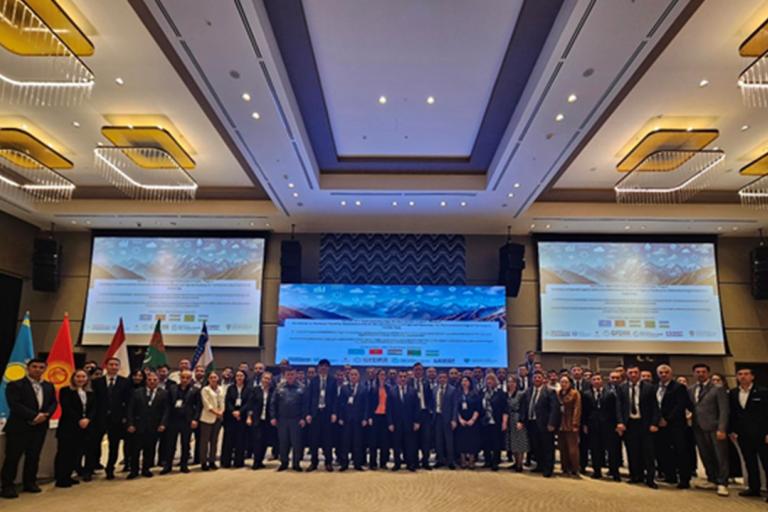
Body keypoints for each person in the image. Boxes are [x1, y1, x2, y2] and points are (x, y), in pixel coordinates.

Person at [1, 358, 57, 498]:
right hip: (19, 427)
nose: (37, 369)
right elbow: (15, 404)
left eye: (41, 367)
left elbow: (53, 403)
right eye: (34, 367)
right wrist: (34, 416)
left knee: (33, 456)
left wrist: (46, 415)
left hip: (40, 428)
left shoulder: (49, 386)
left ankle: (30, 482)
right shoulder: (15, 385)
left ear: (44, 369)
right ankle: (7, 485)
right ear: (28, 368)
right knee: (13, 457)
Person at [689, 363, 729, 497]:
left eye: (703, 371)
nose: (700, 374)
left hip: (715, 427)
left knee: (720, 456)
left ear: (708, 373)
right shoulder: (691, 389)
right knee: (705, 455)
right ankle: (712, 479)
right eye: (697, 372)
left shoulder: (718, 388)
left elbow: (724, 410)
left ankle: (723, 483)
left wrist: (722, 428)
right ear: (694, 374)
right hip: (698, 427)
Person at [728, 367, 768, 501]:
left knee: (766, 462)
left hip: (762, 434)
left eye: (746, 374)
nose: (743, 377)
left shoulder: (763, 392)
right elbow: (732, 414)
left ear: (752, 376)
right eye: (740, 374)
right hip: (743, 435)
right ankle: (754, 488)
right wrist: (732, 430)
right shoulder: (733, 393)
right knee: (749, 462)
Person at [618, 365, 660, 489]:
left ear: (639, 373)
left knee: (648, 452)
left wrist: (654, 423)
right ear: (627, 374)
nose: (633, 375)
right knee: (632, 451)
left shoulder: (649, 388)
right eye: (630, 373)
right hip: (630, 423)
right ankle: (636, 476)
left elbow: (655, 407)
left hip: (645, 423)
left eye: (635, 372)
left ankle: (650, 479)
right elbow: (619, 407)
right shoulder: (622, 388)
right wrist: (620, 422)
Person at [90, 357, 131, 480]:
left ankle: (110, 469)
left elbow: (128, 402)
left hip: (117, 420)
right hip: (99, 418)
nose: (113, 367)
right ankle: (89, 468)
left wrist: (125, 417)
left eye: (116, 365)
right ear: (106, 366)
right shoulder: (97, 382)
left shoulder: (125, 382)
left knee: (114, 446)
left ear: (119, 367)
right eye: (111, 364)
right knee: (93, 445)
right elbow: (93, 401)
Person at [54, 369, 96, 488]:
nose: (81, 379)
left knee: (75, 453)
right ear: (73, 378)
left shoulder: (90, 392)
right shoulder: (65, 391)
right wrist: (79, 419)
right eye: (78, 376)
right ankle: (61, 478)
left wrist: (88, 419)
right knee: (64, 453)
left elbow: (94, 408)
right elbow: (66, 407)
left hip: (84, 427)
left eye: (83, 377)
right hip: (69, 426)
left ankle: (68, 476)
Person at [126, 371, 168, 479]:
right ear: (146, 381)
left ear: (158, 381)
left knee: (149, 450)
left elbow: (166, 411)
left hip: (154, 426)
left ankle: (146, 469)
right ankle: (134, 470)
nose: (152, 382)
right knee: (135, 450)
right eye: (150, 380)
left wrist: (163, 424)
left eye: (155, 380)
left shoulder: (163, 393)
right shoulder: (137, 392)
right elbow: (130, 409)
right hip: (138, 426)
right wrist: (130, 423)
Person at [655, 364, 691, 489]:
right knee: (665, 451)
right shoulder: (656, 387)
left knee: (680, 452)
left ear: (671, 374)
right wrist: (658, 419)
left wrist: (667, 419)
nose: (663, 374)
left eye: (666, 372)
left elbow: (680, 406)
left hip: (676, 425)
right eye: (661, 372)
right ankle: (670, 476)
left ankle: (684, 479)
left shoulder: (678, 387)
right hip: (660, 424)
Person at [582, 372, 621, 481]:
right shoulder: (586, 394)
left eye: (598, 379)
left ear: (602, 381)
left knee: (611, 450)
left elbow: (615, 410)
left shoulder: (610, 394)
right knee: (595, 449)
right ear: (591, 381)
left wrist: (617, 423)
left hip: (608, 425)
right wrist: (584, 424)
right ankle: (597, 471)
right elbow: (584, 411)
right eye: (594, 379)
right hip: (593, 425)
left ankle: (615, 472)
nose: (596, 381)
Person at [522, 370, 560, 477]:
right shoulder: (528, 391)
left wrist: (552, 423)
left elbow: (555, 409)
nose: (537, 379)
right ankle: (540, 465)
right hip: (532, 423)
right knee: (536, 446)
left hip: (545, 424)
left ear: (543, 379)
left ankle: (548, 468)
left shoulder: (549, 391)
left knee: (547, 447)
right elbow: (525, 407)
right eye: (535, 377)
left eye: (539, 377)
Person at [162, 369, 199, 474]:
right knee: (170, 444)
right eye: (183, 377)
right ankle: (168, 465)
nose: (185, 380)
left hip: (187, 421)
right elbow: (167, 406)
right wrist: (165, 421)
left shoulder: (195, 390)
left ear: (191, 379)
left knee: (185, 444)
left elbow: (198, 407)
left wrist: (195, 419)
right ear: (180, 377)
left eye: (187, 378)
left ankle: (184, 465)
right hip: (173, 420)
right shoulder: (172, 389)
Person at [270, 366, 306, 471]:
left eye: (292, 374)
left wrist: (303, 418)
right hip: (282, 419)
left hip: (296, 419)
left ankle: (296, 464)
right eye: (288, 374)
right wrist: (273, 417)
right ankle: (284, 463)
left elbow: (305, 404)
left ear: (296, 375)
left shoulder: (302, 387)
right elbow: (273, 403)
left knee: (296, 443)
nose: (290, 376)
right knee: (283, 442)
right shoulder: (279, 387)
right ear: (285, 375)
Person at [305, 359, 336, 472]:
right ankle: (314, 462)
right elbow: (309, 398)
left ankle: (328, 462)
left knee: (328, 439)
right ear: (318, 368)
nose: (323, 368)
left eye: (325, 366)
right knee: (314, 439)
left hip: (327, 413)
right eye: (321, 366)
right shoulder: (313, 381)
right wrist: (308, 413)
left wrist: (334, 413)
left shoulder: (333, 380)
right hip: (315, 413)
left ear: (328, 368)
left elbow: (334, 399)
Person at [335, 368, 367, 471]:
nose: (353, 376)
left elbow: (367, 406)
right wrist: (340, 417)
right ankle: (344, 464)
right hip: (346, 420)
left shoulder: (363, 388)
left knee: (357, 442)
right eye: (352, 375)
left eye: (355, 375)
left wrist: (365, 418)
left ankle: (357, 464)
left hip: (358, 420)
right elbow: (340, 404)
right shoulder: (344, 388)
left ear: (359, 376)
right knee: (345, 443)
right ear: (349, 376)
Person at [387, 370, 419, 472]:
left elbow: (416, 408)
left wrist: (416, 422)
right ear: (397, 379)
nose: (403, 378)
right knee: (396, 444)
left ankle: (410, 464)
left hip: (409, 423)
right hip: (396, 423)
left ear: (407, 378)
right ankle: (397, 464)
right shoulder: (392, 391)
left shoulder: (413, 391)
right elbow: (389, 409)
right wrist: (390, 423)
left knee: (410, 444)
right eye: (400, 377)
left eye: (404, 377)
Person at [221, 369, 251, 468]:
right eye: (237, 376)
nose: (239, 377)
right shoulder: (230, 388)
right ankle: (226, 462)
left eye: (241, 376)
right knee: (228, 440)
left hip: (242, 417)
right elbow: (228, 401)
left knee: (240, 440)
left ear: (245, 377)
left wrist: (240, 412)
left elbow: (249, 403)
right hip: (230, 416)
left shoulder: (249, 389)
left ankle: (239, 462)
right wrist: (233, 411)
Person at [479, 373, 507, 471]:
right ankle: (487, 461)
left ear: (495, 381)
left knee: (496, 442)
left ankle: (495, 462)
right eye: (487, 379)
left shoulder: (500, 393)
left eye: (491, 379)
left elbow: (504, 409)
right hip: (484, 421)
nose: (489, 381)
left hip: (496, 421)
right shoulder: (482, 392)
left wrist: (504, 422)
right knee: (485, 441)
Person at [246, 371, 273, 469]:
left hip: (267, 420)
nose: (266, 380)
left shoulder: (272, 391)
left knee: (265, 441)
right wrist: (249, 417)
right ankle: (256, 462)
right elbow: (250, 405)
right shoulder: (255, 390)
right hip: (256, 419)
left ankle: (261, 460)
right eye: (265, 378)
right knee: (257, 440)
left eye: (268, 379)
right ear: (262, 379)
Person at [409, 363, 434, 470]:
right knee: (413, 440)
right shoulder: (409, 383)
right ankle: (414, 462)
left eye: (420, 370)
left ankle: (425, 461)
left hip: (424, 414)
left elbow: (430, 398)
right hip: (412, 415)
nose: (418, 371)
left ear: (423, 371)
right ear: (413, 371)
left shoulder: (426, 383)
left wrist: (429, 410)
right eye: (416, 370)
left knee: (426, 439)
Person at [198, 372, 225, 471]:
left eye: (215, 377)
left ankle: (212, 461)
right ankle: (204, 462)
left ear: (218, 378)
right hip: (207, 418)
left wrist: (221, 412)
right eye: (211, 377)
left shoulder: (221, 389)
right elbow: (206, 404)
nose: (213, 379)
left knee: (214, 441)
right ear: (208, 379)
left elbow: (222, 402)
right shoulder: (205, 389)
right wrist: (216, 412)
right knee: (204, 442)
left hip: (218, 418)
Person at [433, 372, 458, 470]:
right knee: (438, 440)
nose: (442, 379)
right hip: (437, 417)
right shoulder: (435, 389)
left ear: (447, 379)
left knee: (449, 441)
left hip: (448, 419)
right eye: (440, 377)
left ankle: (450, 461)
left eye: (444, 377)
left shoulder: (452, 390)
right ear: (438, 379)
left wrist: (454, 419)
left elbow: (455, 406)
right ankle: (440, 460)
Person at [558, 376, 581, 477]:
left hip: (571, 423)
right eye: (562, 382)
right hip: (560, 423)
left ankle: (575, 468)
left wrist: (575, 423)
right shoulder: (558, 393)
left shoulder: (575, 393)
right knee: (562, 447)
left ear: (570, 383)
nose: (563, 384)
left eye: (565, 382)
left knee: (573, 449)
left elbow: (577, 409)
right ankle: (565, 467)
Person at [505, 375, 529, 472]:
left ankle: (520, 464)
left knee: (520, 442)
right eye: (509, 382)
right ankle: (515, 462)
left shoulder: (521, 394)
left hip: (517, 419)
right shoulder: (506, 394)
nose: (511, 384)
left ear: (517, 384)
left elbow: (524, 408)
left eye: (513, 382)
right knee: (512, 442)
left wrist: (521, 421)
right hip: (509, 419)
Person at [368, 369, 390, 470]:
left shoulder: (388, 388)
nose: (382, 376)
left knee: (384, 442)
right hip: (375, 417)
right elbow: (368, 405)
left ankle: (383, 462)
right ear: (377, 376)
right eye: (381, 374)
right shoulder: (373, 388)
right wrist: (370, 417)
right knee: (373, 442)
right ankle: (373, 463)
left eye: (384, 374)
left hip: (385, 417)